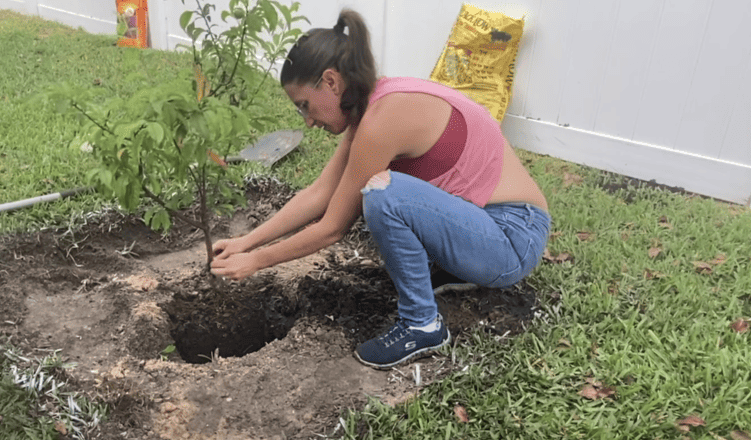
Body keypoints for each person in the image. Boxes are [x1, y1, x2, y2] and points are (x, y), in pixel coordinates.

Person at [210, 9, 550, 370]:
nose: (307, 121)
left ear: (330, 81)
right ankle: (454, 270)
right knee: (381, 192)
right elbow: (320, 193)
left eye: (305, 106)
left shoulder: (382, 120)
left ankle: (422, 324)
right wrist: (245, 242)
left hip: (513, 237)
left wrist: (256, 262)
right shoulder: (373, 108)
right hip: (488, 227)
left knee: (384, 194)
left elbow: (332, 227)